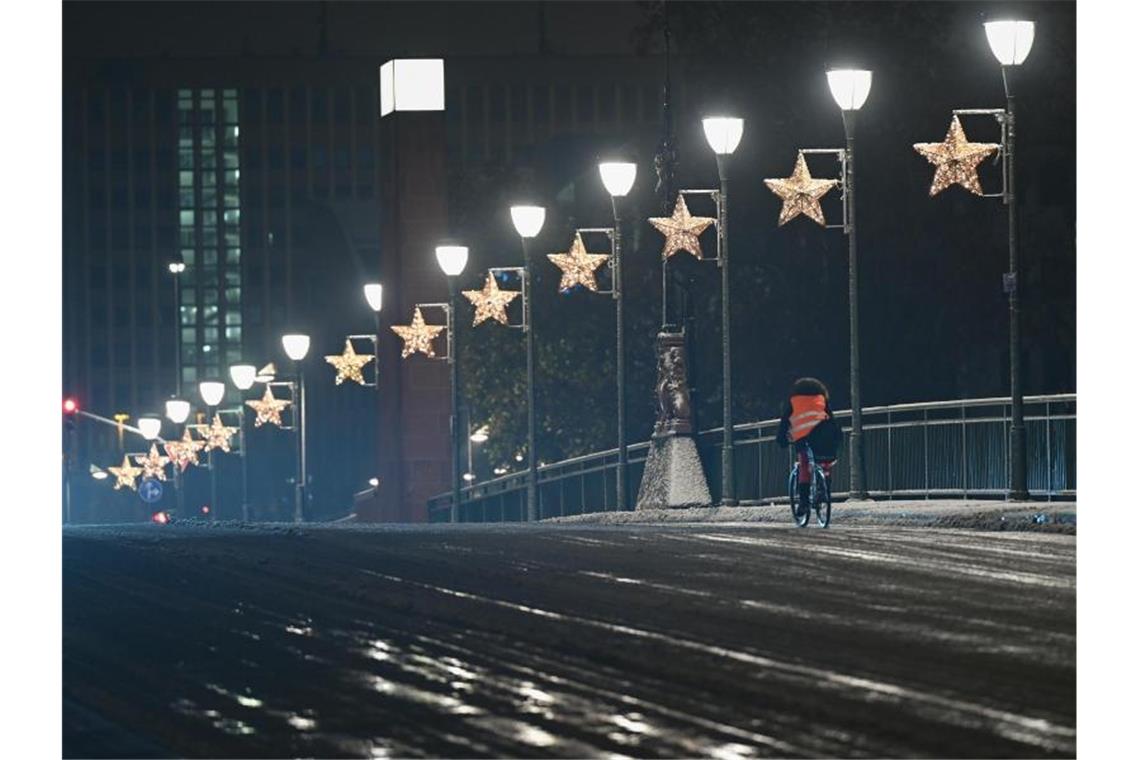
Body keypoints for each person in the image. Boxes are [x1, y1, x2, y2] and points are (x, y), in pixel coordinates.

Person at [777, 377, 843, 517]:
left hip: (804, 436)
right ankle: (823, 486)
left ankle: (804, 503)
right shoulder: (821, 399)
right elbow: (831, 418)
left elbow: (784, 422)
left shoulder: (793, 401)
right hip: (825, 436)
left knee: (804, 465)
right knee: (825, 460)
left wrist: (781, 439)